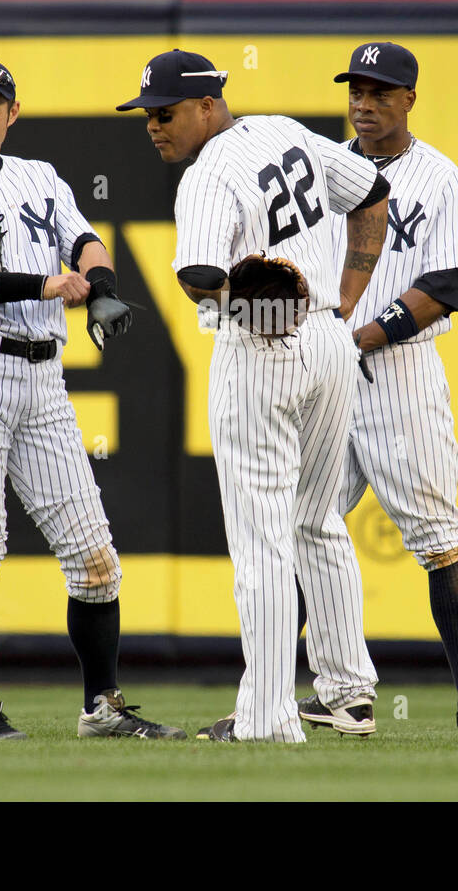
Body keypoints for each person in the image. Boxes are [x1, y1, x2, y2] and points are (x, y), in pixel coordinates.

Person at [0, 56, 184, 741]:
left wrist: (101, 282)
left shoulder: (40, 177)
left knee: (94, 556)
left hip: (43, 382)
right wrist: (45, 285)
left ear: (11, 114)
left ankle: (102, 706)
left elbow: (83, 238)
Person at [117, 49, 391, 742]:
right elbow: (371, 194)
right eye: (148, 114)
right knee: (318, 521)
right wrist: (347, 294)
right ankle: (349, 694)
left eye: (166, 112)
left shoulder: (208, 172)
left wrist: (242, 292)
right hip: (330, 341)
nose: (154, 126)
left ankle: (268, 717)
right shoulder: (286, 131)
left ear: (209, 104)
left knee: (263, 539)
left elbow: (196, 273)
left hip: (261, 348)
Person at [299, 41, 458, 740]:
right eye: (356, 89)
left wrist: (360, 335)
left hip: (400, 373)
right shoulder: (326, 170)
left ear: (410, 98)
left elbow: (446, 285)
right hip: (326, 374)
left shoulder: (442, 179)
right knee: (302, 524)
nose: (363, 102)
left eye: (380, 91)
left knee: (438, 535)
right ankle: (341, 697)